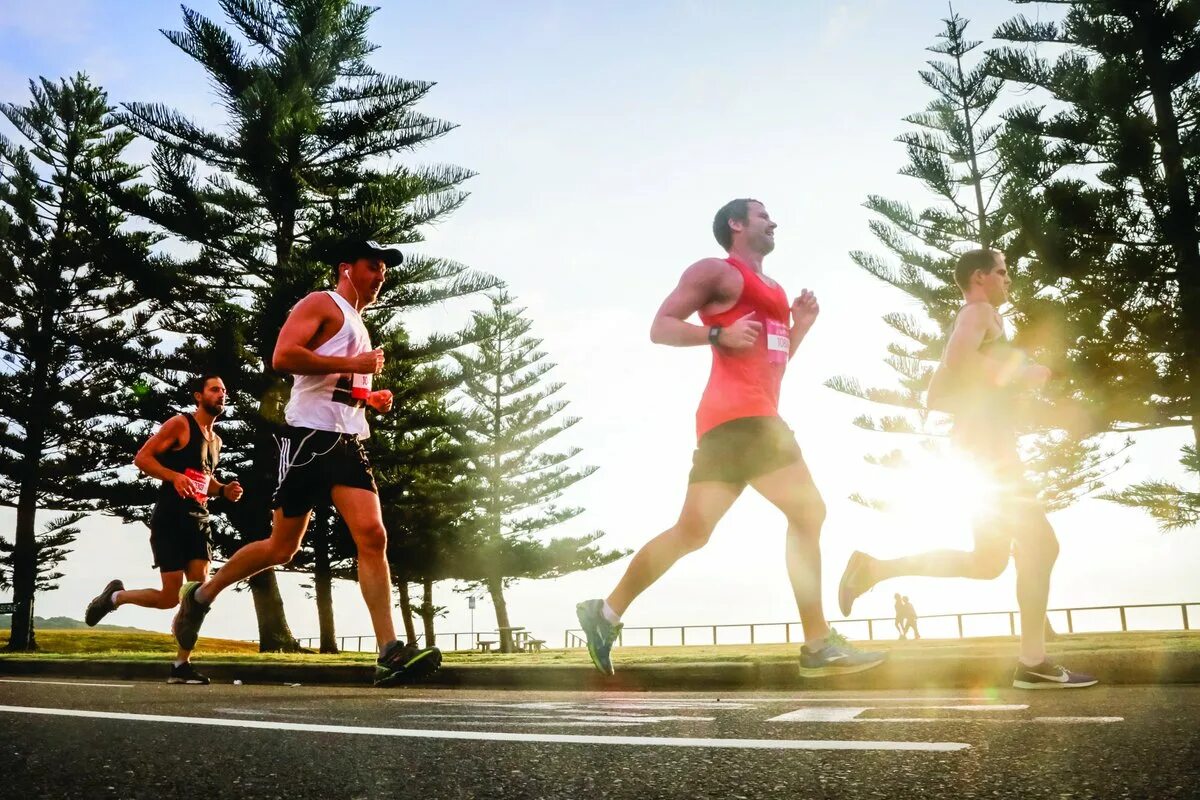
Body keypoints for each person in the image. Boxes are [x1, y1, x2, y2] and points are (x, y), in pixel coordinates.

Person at [576, 199, 885, 678]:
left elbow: (772, 367)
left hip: (736, 421)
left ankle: (607, 612)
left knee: (692, 533)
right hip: (745, 420)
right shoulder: (716, 271)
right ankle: (818, 644)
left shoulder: (776, 291)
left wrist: (798, 327)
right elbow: (661, 327)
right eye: (763, 215)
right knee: (808, 512)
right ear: (736, 225)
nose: (774, 221)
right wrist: (716, 334)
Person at [170, 239, 441, 687]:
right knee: (282, 548)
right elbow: (284, 357)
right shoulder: (323, 303)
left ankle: (388, 652)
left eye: (384, 271)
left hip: (346, 442)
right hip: (307, 441)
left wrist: (366, 396)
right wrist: (354, 361)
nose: (380, 276)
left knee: (372, 535)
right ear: (346, 269)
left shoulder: (357, 321)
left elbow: (330, 383)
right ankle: (201, 595)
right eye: (372, 266)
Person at [837, 248, 1096, 689]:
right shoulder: (979, 312)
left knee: (988, 562)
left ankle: (875, 569)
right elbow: (958, 362)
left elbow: (937, 394)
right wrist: (1023, 370)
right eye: (1002, 271)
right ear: (979, 277)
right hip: (988, 448)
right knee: (1042, 545)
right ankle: (1032, 661)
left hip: (980, 443)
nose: (1008, 279)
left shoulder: (974, 318)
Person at [85, 374, 242, 685]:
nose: (221, 395)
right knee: (172, 597)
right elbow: (142, 458)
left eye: (224, 390)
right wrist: (172, 477)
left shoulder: (216, 441)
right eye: (214, 390)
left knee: (197, 596)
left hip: (200, 521)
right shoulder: (180, 425)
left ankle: (181, 665)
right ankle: (114, 597)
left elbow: (204, 479)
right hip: (171, 519)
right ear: (199, 396)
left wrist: (223, 490)